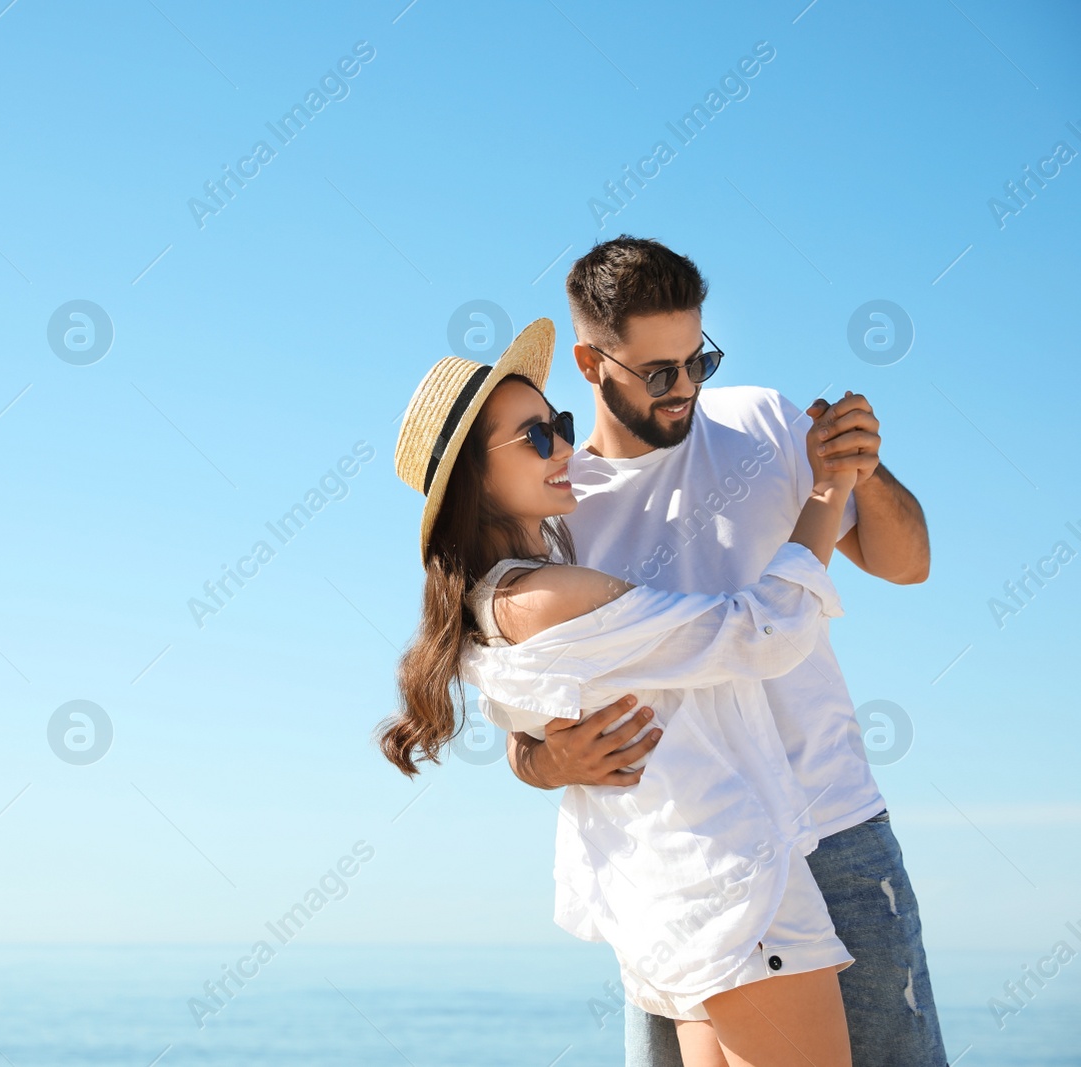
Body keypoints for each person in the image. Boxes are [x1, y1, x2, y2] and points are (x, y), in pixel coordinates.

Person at [505, 236, 943, 1067]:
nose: (687, 389)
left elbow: (908, 564)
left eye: (697, 360)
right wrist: (550, 759)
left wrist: (862, 470)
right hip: (678, 866)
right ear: (592, 365)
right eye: (660, 373)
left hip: (835, 832)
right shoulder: (560, 514)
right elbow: (524, 729)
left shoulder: (765, 423)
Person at [384, 317, 859, 1065]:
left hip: (666, 902)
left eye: (560, 424)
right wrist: (829, 486)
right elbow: (764, 631)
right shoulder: (548, 596)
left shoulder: (489, 610)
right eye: (536, 438)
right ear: (477, 479)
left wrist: (543, 761)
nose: (566, 448)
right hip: (733, 888)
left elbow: (537, 745)